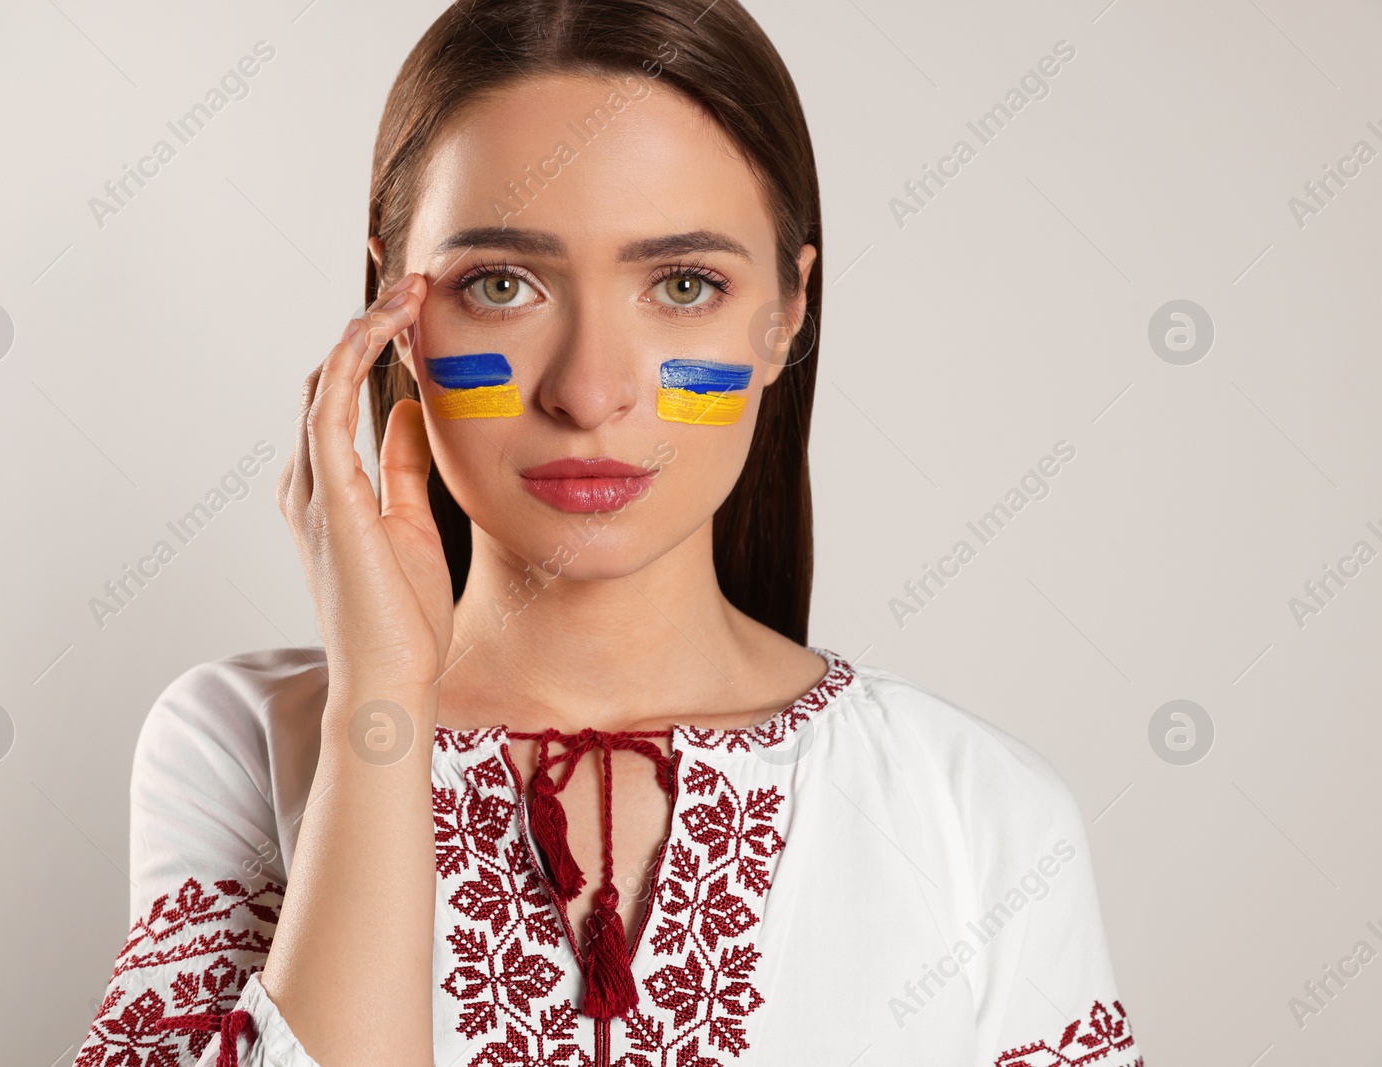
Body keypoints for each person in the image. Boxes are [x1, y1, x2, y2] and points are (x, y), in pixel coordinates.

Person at [74, 1, 1144, 1064]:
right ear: (392, 312)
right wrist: (383, 703)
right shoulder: (243, 744)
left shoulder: (976, 808)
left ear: (785, 315)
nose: (588, 391)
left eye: (684, 285)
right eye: (501, 284)